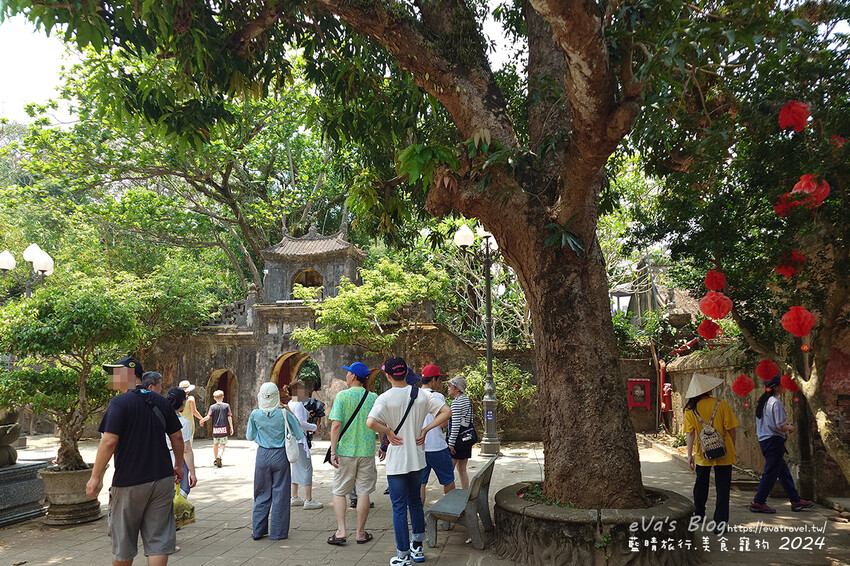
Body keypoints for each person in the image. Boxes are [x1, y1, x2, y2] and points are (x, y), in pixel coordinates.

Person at [87, 366, 184, 566]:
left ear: (128, 376)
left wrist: (95, 477)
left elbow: (108, 441)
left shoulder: (119, 403)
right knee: (158, 541)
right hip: (162, 478)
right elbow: (177, 436)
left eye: (114, 373)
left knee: (123, 541)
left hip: (129, 482)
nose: (111, 377)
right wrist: (179, 465)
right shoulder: (160, 401)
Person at [367, 356, 451, 566]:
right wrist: (426, 429)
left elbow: (370, 422)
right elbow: (446, 412)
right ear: (406, 373)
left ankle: (402, 555)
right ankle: (418, 547)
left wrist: (387, 431)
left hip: (396, 463)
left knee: (398, 508)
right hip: (417, 459)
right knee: (415, 502)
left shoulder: (384, 398)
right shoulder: (421, 395)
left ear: (387, 376)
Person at [327, 361, 378, 546]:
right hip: (366, 451)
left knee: (339, 491)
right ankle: (360, 533)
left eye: (348, 373)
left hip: (345, 452)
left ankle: (341, 531)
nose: (346, 376)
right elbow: (379, 422)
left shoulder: (342, 396)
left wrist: (333, 451)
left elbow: (336, 424)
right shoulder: (373, 397)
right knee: (364, 492)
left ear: (354, 376)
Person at [246, 382, 304, 540]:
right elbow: (298, 434)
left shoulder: (255, 414)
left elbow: (250, 436)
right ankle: (278, 533)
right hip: (280, 455)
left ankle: (258, 531)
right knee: (281, 495)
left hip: (262, 455)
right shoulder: (284, 414)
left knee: (261, 494)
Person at [750, 374, 814, 513]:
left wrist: (785, 425)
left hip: (766, 440)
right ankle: (758, 501)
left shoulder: (763, 401)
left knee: (783, 473)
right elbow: (779, 425)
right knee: (770, 473)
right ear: (776, 387)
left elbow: (772, 423)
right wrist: (790, 427)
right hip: (774, 441)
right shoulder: (775, 403)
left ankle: (795, 500)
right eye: (782, 384)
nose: (784, 387)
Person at [683, 372, 738, 535]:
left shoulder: (690, 410)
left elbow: (690, 434)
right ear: (707, 390)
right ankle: (720, 523)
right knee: (723, 487)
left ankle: (699, 514)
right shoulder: (721, 404)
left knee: (701, 484)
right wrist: (731, 448)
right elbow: (732, 429)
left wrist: (690, 455)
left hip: (702, 453)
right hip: (723, 453)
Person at [419, 365, 455, 504]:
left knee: (421, 484)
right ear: (433, 380)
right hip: (437, 447)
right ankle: (450, 512)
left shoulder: (414, 395)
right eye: (438, 379)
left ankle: (418, 517)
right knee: (448, 481)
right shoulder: (438, 396)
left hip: (420, 447)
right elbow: (443, 424)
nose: (438, 383)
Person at [288, 380, 323, 510]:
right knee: (307, 468)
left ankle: (295, 496)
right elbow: (300, 423)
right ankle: (308, 499)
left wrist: (308, 414)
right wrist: (315, 427)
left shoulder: (291, 403)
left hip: (292, 439)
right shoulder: (298, 404)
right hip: (300, 440)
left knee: (296, 467)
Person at [166, 388, 197, 498]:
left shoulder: (157, 419)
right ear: (183, 402)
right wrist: (192, 473)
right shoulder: (183, 423)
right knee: (180, 495)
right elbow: (186, 450)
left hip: (160, 461)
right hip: (177, 461)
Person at [445, 376, 473, 490]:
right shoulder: (466, 400)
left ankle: (451, 496)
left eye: (450, 386)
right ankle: (465, 493)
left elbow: (455, 425)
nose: (448, 388)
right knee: (462, 469)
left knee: (449, 470)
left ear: (457, 389)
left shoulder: (456, 403)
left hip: (457, 441)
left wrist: (451, 443)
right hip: (466, 439)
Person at [200, 390, 233, 467]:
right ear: (223, 397)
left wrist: (202, 420)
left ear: (214, 398)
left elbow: (208, 416)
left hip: (215, 428)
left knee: (215, 444)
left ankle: (215, 459)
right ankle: (219, 455)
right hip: (224, 428)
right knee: (222, 444)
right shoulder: (226, 406)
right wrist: (231, 427)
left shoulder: (212, 407)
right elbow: (229, 417)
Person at [177, 380, 204, 444]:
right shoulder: (190, 398)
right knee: (188, 441)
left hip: (178, 421)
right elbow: (194, 411)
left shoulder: (176, 398)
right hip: (188, 421)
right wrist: (201, 419)